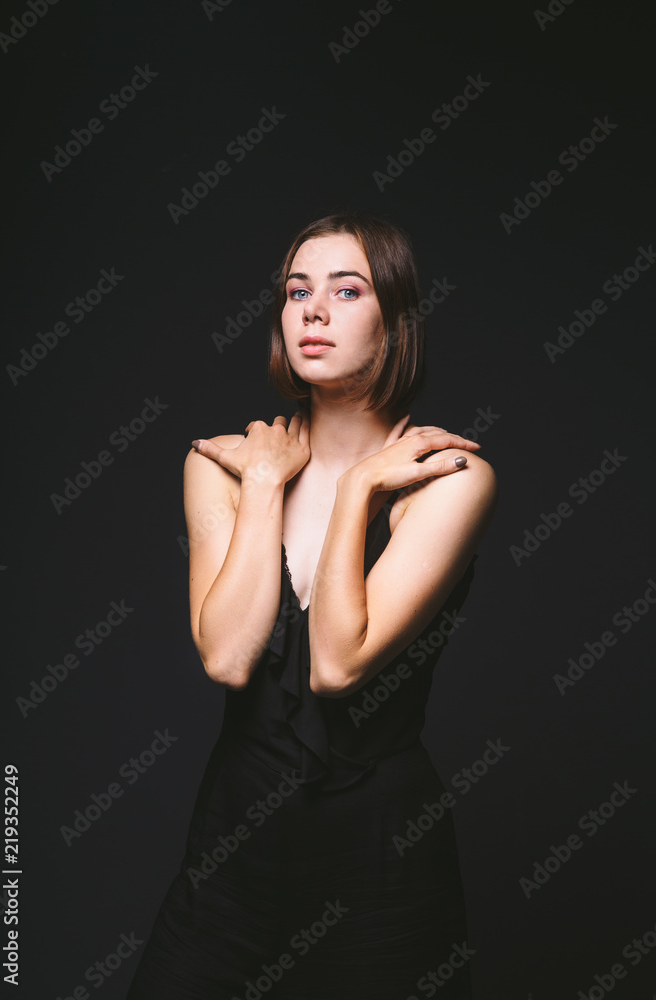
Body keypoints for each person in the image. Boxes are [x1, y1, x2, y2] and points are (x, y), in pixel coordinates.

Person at [125, 213, 497, 999]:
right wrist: (264, 483)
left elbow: (333, 665)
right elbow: (226, 657)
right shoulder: (223, 470)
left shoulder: (452, 479)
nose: (312, 311)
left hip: (382, 862)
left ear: (396, 321)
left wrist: (358, 488)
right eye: (297, 291)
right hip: (236, 851)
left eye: (346, 289)